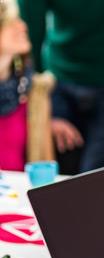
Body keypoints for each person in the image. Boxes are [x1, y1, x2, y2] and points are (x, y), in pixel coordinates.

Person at [17, 0, 104, 174]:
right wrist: (40, 88)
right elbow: (31, 24)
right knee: (63, 178)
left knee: (96, 178)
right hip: (60, 79)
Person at [0, 0, 54, 171]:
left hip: (17, 194)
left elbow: (46, 163)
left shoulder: (33, 91)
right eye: (12, 21)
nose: (23, 26)